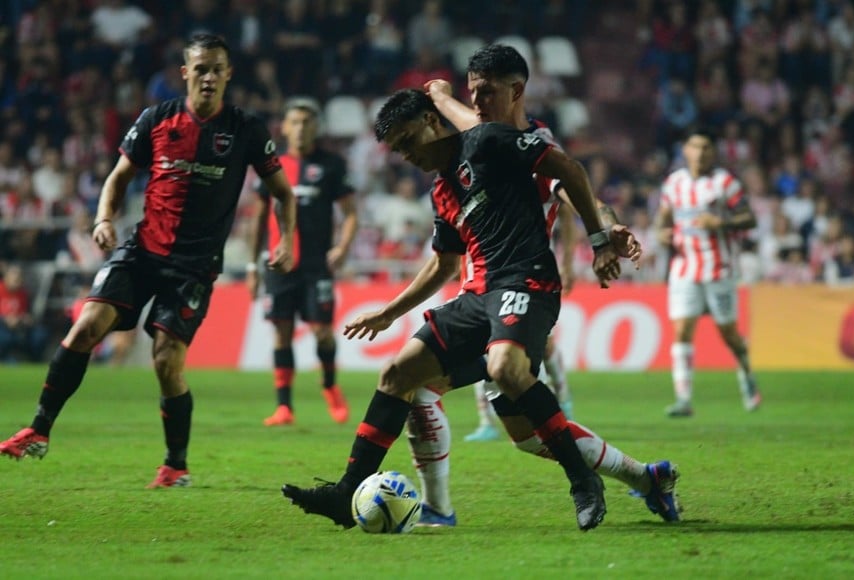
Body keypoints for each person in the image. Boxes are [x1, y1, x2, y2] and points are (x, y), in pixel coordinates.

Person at [283, 88, 627, 532]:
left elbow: (567, 173)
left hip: (526, 280)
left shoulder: (486, 143)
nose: (407, 155)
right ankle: (349, 488)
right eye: (398, 150)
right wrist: (388, 313)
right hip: (477, 296)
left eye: (409, 140)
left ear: (432, 120)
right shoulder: (443, 189)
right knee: (397, 374)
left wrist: (602, 235)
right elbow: (445, 263)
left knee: (506, 369)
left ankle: (582, 481)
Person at [0, 34, 297, 488]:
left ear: (229, 73)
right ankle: (38, 430)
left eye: (218, 68)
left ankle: (175, 465)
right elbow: (119, 177)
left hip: (194, 266)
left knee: (166, 360)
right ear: (185, 73)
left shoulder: (246, 129)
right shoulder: (157, 119)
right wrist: (103, 218)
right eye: (201, 69)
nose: (210, 77)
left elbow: (281, 194)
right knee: (84, 327)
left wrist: (286, 240)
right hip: (142, 250)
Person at [411, 44, 677, 527]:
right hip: (477, 298)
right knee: (528, 437)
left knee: (422, 386)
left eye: (486, 92)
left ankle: (437, 510)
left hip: (514, 294)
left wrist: (607, 231)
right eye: (471, 93)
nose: (476, 103)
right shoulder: (473, 145)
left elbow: (580, 193)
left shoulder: (529, 146)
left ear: (517, 91)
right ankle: (646, 478)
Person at [248, 97, 358, 426]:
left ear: (316, 128)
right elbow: (258, 219)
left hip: (315, 265)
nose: (300, 128)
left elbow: (351, 214)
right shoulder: (271, 164)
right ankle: (284, 407)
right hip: (278, 264)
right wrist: (253, 266)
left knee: (323, 331)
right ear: (284, 127)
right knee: (281, 333)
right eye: (294, 122)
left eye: (307, 122)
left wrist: (342, 246)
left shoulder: (331, 165)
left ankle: (329, 385)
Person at [654, 125, 761, 417]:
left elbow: (749, 219)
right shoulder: (674, 183)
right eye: (695, 147)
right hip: (684, 267)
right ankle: (684, 399)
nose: (700, 153)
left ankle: (746, 375)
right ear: (685, 150)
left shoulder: (725, 183)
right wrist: (662, 235)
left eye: (706, 148)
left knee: (729, 334)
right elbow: (662, 220)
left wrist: (721, 224)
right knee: (682, 330)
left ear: (713, 152)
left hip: (718, 268)